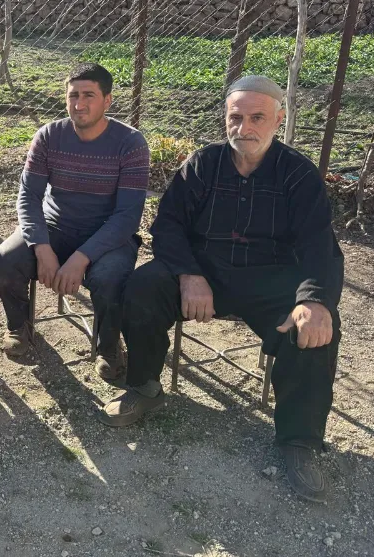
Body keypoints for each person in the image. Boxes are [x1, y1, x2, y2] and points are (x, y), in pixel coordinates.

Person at [102, 75, 345, 503]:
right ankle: (144, 386)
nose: (244, 128)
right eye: (236, 117)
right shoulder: (204, 163)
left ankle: (299, 440)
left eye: (257, 118)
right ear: (225, 118)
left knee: (312, 329)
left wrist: (314, 299)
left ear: (279, 119)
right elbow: (168, 225)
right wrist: (189, 275)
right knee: (141, 287)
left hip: (270, 276)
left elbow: (317, 243)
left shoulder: (297, 173)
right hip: (205, 268)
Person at [0, 63, 149, 380]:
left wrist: (81, 258)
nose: (79, 104)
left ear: (107, 101)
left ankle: (108, 346)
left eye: (89, 95)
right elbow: (29, 196)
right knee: (3, 261)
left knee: (111, 278)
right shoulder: (50, 136)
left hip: (108, 235)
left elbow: (127, 216)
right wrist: (41, 246)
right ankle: (19, 326)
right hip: (55, 227)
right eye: (73, 95)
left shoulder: (130, 143)